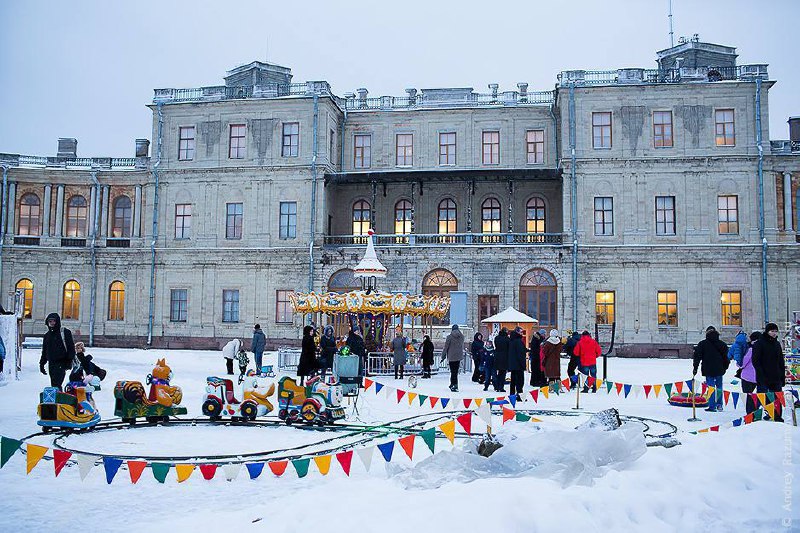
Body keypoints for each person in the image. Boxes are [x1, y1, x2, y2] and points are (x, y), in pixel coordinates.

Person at [752, 322, 785, 422]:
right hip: (763, 376)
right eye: (772, 331)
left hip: (776, 376)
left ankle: (777, 415)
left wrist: (782, 376)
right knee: (763, 397)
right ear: (767, 331)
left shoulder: (777, 344)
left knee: (777, 397)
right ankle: (766, 413)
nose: (774, 333)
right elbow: (756, 361)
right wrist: (761, 374)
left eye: (775, 331)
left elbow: (780, 361)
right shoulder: (759, 343)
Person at [692, 325, 729, 412]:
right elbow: (726, 358)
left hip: (708, 369)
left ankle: (712, 406)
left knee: (711, 387)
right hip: (719, 369)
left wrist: (695, 368)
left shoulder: (702, 344)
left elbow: (697, 357)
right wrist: (724, 368)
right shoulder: (722, 344)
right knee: (719, 387)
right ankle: (719, 405)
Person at [39, 313, 75, 390]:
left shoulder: (64, 332)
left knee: (57, 384)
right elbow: (45, 351)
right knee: (54, 383)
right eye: (50, 321)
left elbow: (71, 347)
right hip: (51, 363)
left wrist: (69, 360)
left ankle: (58, 398)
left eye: (54, 321)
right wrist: (42, 364)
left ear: (57, 322)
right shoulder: (47, 335)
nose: (52, 323)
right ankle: (57, 398)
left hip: (61, 362)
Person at [738, 331, 761, 415]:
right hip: (759, 376)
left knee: (748, 396)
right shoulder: (763, 349)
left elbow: (742, 363)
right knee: (759, 396)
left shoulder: (751, 349)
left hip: (747, 376)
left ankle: (750, 414)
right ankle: (756, 411)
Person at [442, 324, 464, 392]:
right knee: (455, 371)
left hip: (451, 356)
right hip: (458, 356)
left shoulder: (449, 337)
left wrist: (443, 356)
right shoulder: (462, 337)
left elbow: (446, 347)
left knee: (453, 371)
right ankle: (453, 384)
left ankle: (454, 385)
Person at [508, 327, 527, 397]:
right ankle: (520, 396)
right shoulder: (518, 341)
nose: (522, 333)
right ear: (517, 332)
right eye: (521, 332)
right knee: (520, 381)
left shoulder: (511, 340)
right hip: (518, 365)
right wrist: (523, 365)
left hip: (513, 364)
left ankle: (512, 395)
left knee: (513, 381)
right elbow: (520, 354)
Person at [493, 328, 510, 392]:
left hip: (497, 356)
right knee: (503, 373)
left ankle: (497, 386)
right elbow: (509, 347)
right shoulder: (507, 339)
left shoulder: (497, 338)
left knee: (499, 373)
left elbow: (496, 345)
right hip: (505, 357)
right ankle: (501, 387)